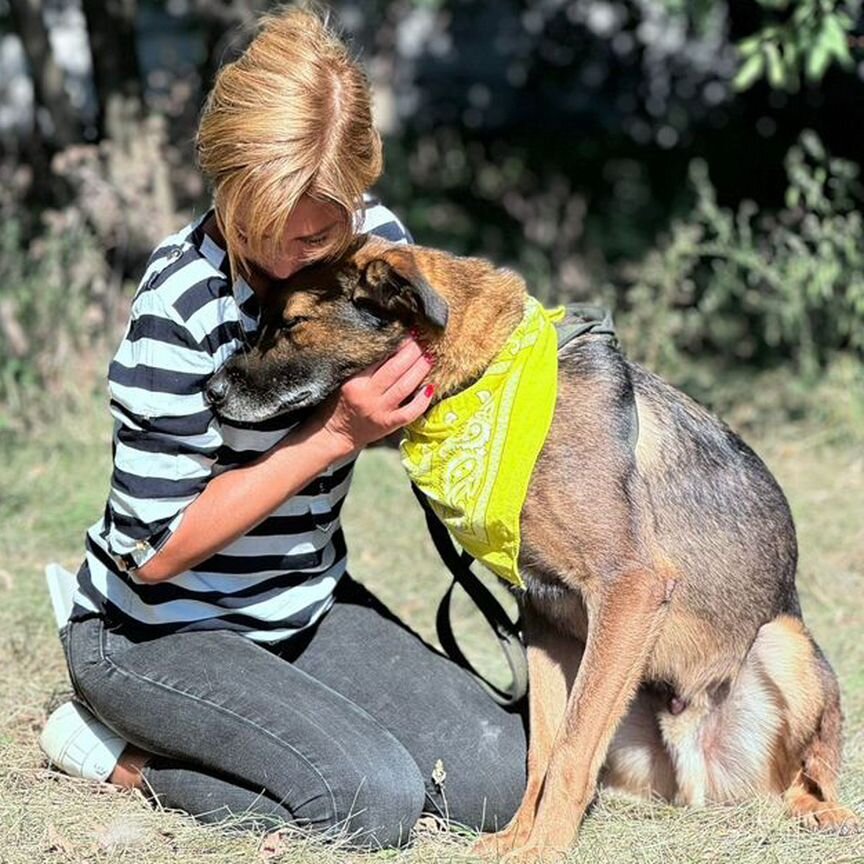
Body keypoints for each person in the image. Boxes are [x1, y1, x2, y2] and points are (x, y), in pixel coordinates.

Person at [38, 4, 526, 850]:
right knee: (371, 803)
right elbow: (156, 552)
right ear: (223, 187)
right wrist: (338, 434)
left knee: (496, 778)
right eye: (260, 226)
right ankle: (122, 758)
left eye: (319, 232)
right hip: (155, 629)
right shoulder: (176, 305)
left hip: (303, 604)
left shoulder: (378, 255)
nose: (289, 256)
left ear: (358, 192)